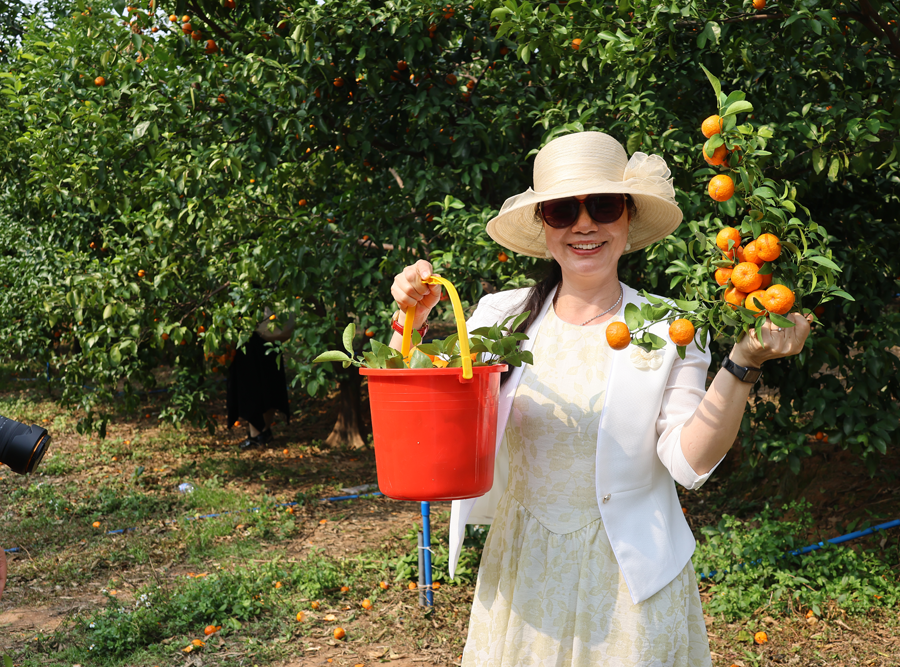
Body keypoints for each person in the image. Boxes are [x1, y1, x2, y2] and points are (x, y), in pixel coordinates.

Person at [389, 131, 812, 666]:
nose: (584, 225)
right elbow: (424, 410)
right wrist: (412, 320)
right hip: (524, 565)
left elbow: (689, 462)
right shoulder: (501, 317)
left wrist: (743, 364)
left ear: (628, 218)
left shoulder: (671, 328)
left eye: (604, 206)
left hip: (630, 576)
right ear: (544, 226)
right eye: (563, 210)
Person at [227, 307, 294, 450]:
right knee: (268, 379)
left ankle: (257, 435)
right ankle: (263, 431)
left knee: (252, 380)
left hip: (253, 331)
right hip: (266, 330)